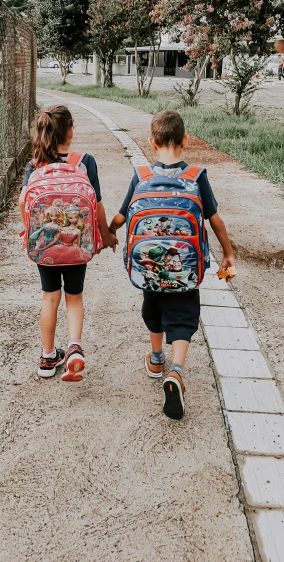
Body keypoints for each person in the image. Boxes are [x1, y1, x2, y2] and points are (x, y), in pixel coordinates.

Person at [109, 110, 236, 420]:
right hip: (185, 268)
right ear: (185, 140)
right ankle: (176, 371)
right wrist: (228, 254)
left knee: (152, 309)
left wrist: (108, 232)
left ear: (152, 143)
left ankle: (155, 359)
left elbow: (123, 216)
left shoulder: (142, 176)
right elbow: (214, 220)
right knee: (182, 317)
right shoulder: (196, 176)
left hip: (149, 269)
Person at [19, 105, 117, 381]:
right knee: (74, 297)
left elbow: (23, 202)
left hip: (46, 250)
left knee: (50, 298)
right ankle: (74, 348)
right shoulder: (85, 161)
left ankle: (48, 356)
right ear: (71, 132)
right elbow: (95, 206)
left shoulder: (35, 164)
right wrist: (106, 235)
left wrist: (29, 230)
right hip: (77, 247)